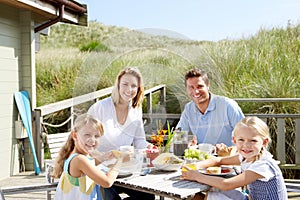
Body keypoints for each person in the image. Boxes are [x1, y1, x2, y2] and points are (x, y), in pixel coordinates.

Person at [88, 67, 155, 200]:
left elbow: (139, 141)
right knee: (110, 197)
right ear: (118, 85)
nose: (129, 90)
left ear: (138, 89)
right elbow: (84, 145)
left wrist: (149, 147)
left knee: (147, 197)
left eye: (134, 86)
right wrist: (102, 157)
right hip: (100, 171)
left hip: (125, 170)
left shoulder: (136, 109)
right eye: (125, 84)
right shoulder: (100, 108)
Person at [182, 116, 288, 200]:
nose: (246, 145)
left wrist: (196, 176)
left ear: (264, 142)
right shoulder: (246, 157)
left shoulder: (263, 165)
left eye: (253, 141)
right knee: (215, 192)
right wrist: (195, 166)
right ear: (234, 140)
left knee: (217, 193)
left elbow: (226, 184)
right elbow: (218, 160)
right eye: (241, 140)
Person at [52, 114, 127, 200]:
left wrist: (105, 157)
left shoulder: (76, 156)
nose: (92, 140)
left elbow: (89, 164)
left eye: (97, 136)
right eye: (87, 135)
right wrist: (120, 162)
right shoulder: (79, 159)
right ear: (75, 135)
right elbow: (107, 182)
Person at [176, 68, 244, 154]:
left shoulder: (227, 105)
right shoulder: (189, 109)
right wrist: (186, 145)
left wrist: (230, 150)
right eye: (191, 87)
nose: (196, 91)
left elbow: (246, 136)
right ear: (186, 89)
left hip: (228, 160)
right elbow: (179, 135)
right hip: (201, 160)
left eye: (199, 86)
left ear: (208, 85)